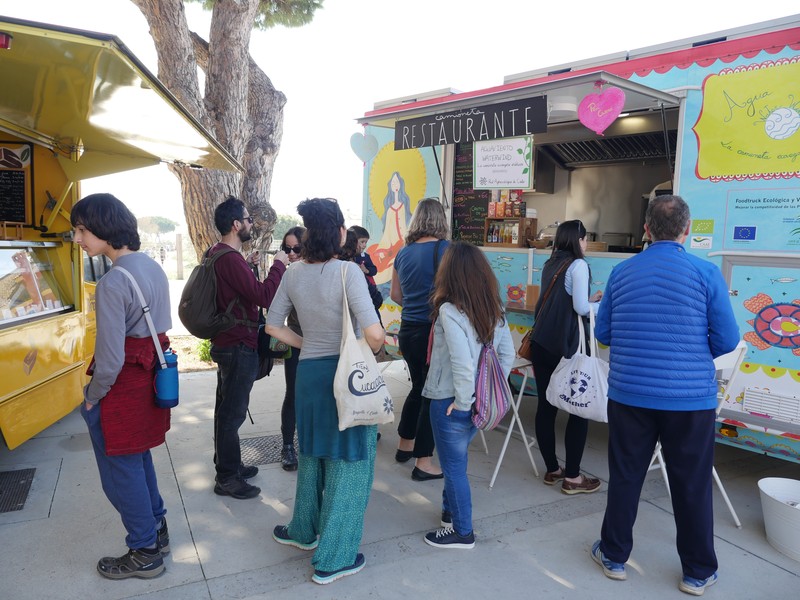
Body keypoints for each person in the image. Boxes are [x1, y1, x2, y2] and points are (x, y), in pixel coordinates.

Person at [590, 195, 739, 596]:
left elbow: (603, 334)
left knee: (626, 476)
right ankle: (697, 572)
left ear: (646, 230)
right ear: (686, 231)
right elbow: (727, 340)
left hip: (630, 395)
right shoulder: (706, 273)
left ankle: (614, 556)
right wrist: (691, 355)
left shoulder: (621, 273)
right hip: (690, 401)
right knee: (692, 484)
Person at [266, 197, 384, 585]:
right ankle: (334, 557)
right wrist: (375, 346)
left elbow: (272, 326)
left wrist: (309, 344)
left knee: (313, 453)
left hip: (309, 373)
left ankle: (304, 531)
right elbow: (374, 334)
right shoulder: (348, 272)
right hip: (346, 375)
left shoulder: (292, 274)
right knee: (350, 461)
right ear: (339, 232)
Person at [71, 193, 172, 579]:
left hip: (123, 386)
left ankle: (144, 550)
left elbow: (110, 360)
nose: (78, 238)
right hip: (150, 380)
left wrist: (92, 397)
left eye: (82, 229)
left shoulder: (112, 282)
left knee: (120, 470)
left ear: (103, 227)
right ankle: (157, 529)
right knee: (139, 457)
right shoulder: (151, 267)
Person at [422, 242, 514, 549]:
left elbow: (461, 362)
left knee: (454, 469)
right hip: (481, 403)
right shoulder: (495, 309)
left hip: (452, 401)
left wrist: (463, 402)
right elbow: (507, 355)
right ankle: (450, 515)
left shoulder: (449, 311)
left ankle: (462, 532)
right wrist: (485, 392)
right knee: (456, 463)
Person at [208, 196, 289, 499]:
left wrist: (248, 266)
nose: (251, 224)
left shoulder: (218, 253)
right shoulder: (229, 258)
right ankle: (227, 478)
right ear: (235, 224)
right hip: (237, 344)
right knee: (232, 415)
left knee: (225, 410)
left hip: (227, 341)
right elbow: (264, 296)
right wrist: (278, 265)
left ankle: (228, 464)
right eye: (247, 219)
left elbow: (237, 291)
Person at [530, 219, 603, 494]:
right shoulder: (579, 265)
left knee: (546, 406)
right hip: (565, 347)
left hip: (541, 343)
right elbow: (581, 308)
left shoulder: (551, 263)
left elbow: (566, 299)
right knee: (578, 409)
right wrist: (600, 305)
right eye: (585, 239)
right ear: (578, 240)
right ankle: (573, 477)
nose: (586, 244)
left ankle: (552, 469)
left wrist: (587, 301)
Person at [390, 197, 449, 481]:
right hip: (432, 332)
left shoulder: (403, 253)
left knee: (417, 387)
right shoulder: (446, 249)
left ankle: (405, 445)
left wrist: (414, 306)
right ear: (440, 220)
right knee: (431, 393)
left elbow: (395, 295)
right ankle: (423, 461)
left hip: (407, 330)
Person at [277, 225, 305, 471]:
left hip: (323, 343)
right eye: (287, 249)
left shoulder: (323, 270)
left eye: (297, 248)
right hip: (295, 340)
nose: (292, 253)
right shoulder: (287, 275)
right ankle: (287, 445)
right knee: (293, 393)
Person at [349, 225, 384, 323]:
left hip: (369, 290)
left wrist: (366, 270)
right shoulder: (347, 258)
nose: (364, 245)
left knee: (375, 316)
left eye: (366, 242)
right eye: (362, 242)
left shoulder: (365, 256)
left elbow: (374, 270)